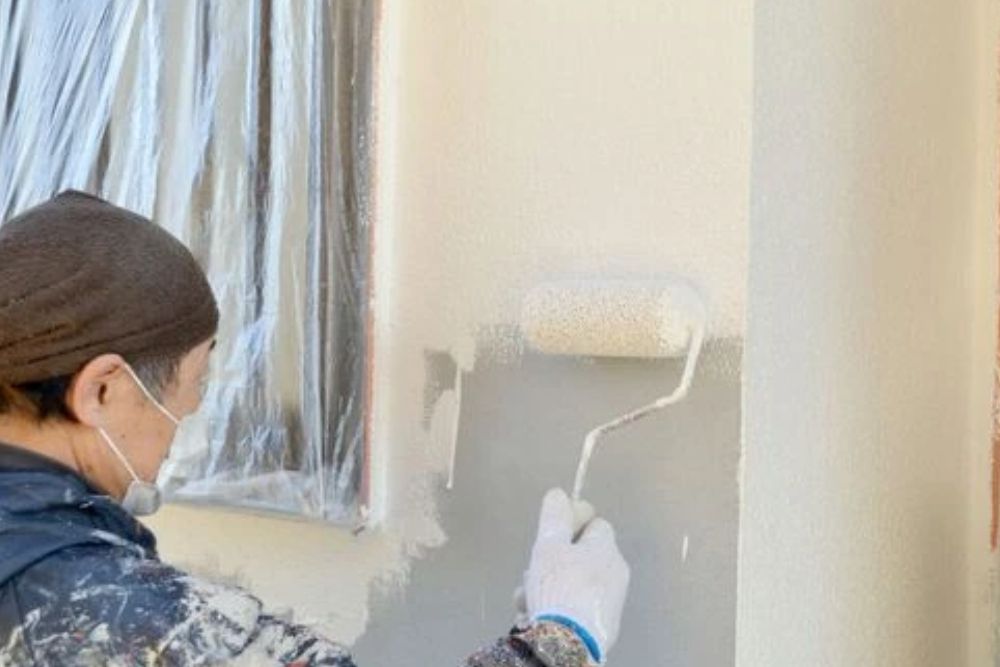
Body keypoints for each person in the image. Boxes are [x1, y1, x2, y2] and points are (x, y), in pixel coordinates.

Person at [0, 191, 631, 666]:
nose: (189, 411)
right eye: (194, 381)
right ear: (102, 390)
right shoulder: (101, 611)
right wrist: (561, 641)